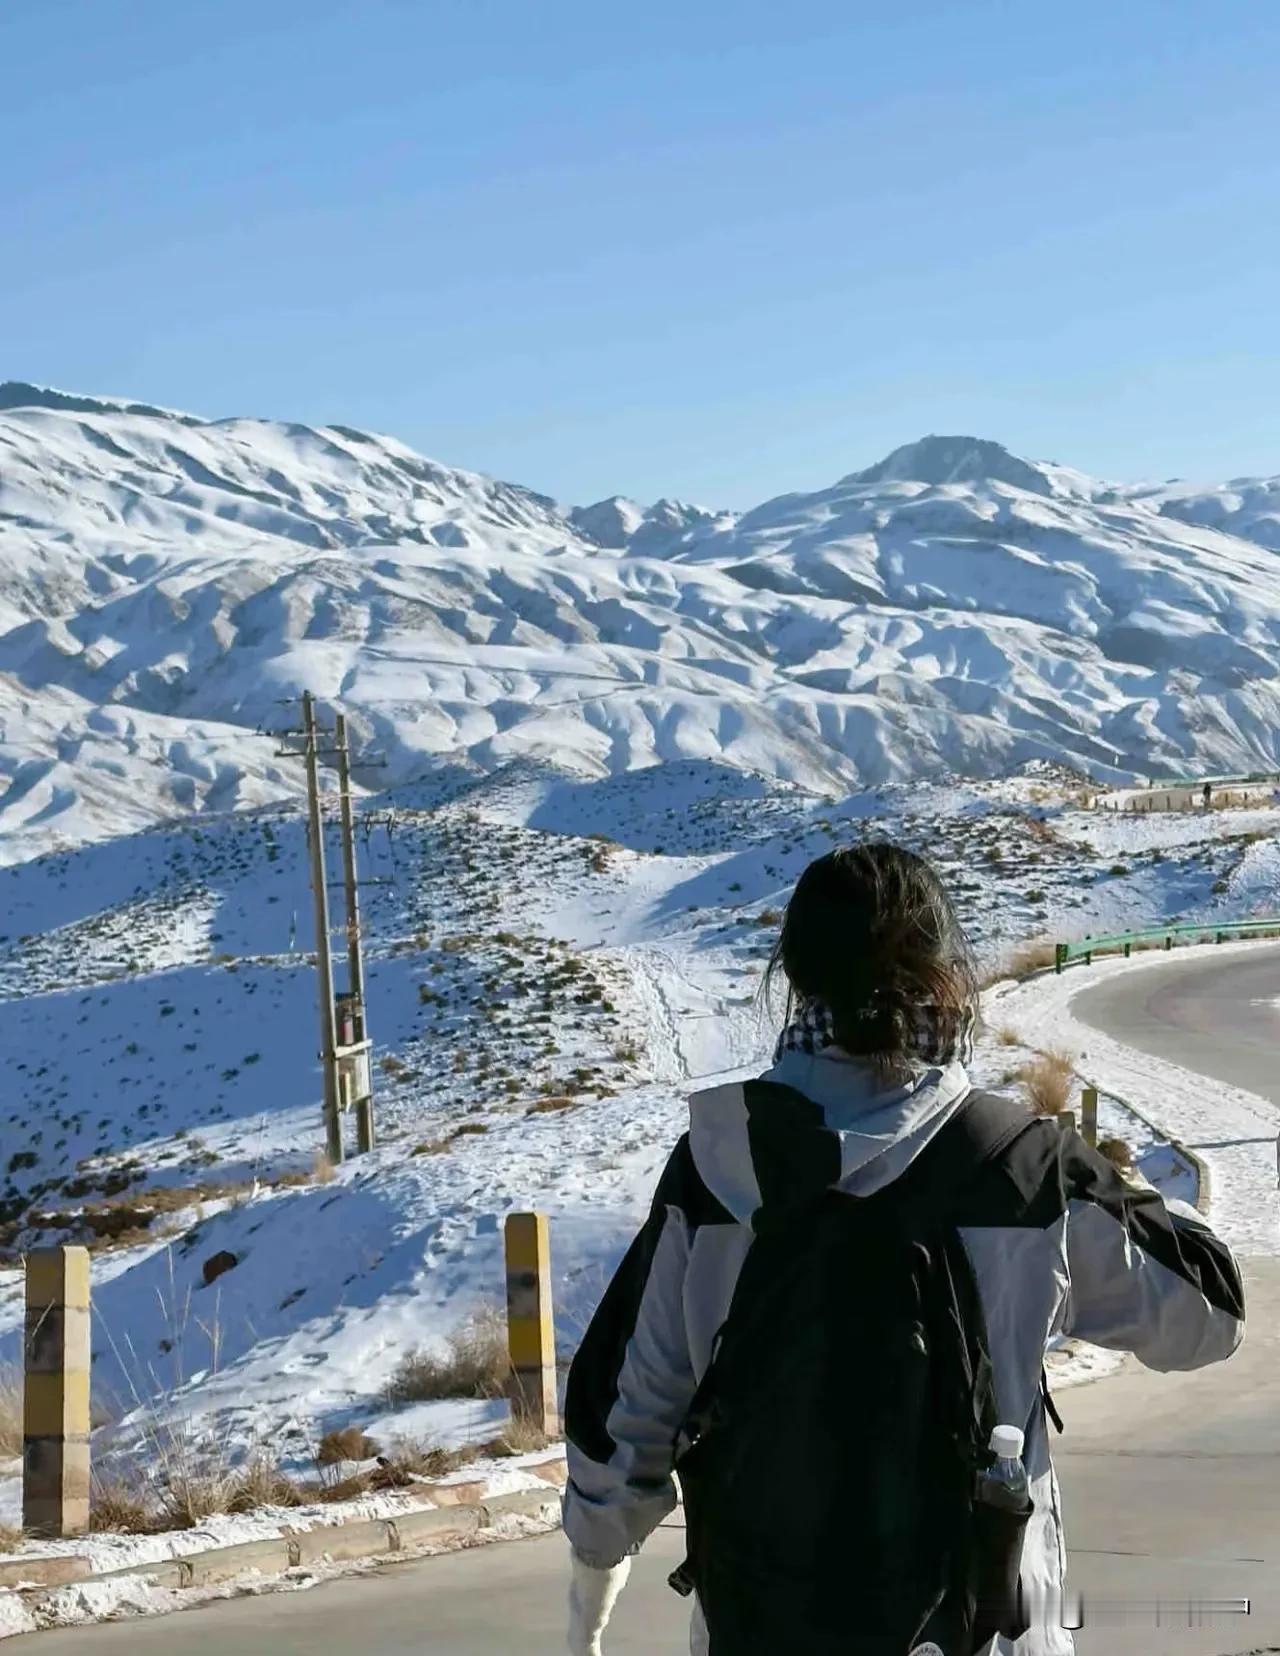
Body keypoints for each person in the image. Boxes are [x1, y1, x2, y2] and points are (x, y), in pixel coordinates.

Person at [562, 843, 1245, 1655]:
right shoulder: (1022, 1166)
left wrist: (590, 1603)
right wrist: (1107, 1176)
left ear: (796, 979)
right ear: (945, 978)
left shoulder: (717, 1162)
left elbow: (626, 1409)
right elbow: (1209, 1315)